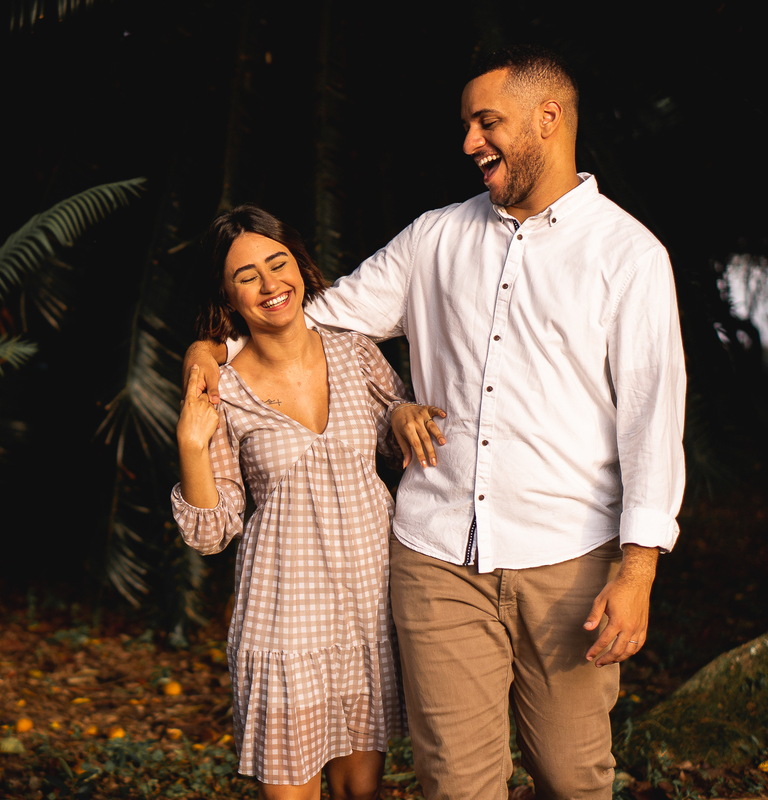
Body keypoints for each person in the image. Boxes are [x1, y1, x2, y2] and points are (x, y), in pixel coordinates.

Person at [184, 46, 686, 800]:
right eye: (466, 125)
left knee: (573, 777)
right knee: (456, 785)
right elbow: (312, 319)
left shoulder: (629, 257)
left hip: (568, 559)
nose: (469, 142)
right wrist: (213, 347)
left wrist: (637, 572)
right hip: (437, 555)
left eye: (487, 123)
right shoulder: (434, 238)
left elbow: (652, 422)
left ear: (548, 119)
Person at [172, 205, 444, 800]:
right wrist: (192, 445)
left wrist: (403, 412)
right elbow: (212, 531)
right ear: (227, 295)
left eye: (278, 264)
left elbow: (394, 428)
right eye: (247, 276)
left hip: (366, 611)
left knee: (358, 793)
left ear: (300, 265)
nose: (270, 284)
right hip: (284, 623)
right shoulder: (224, 389)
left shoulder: (352, 350)